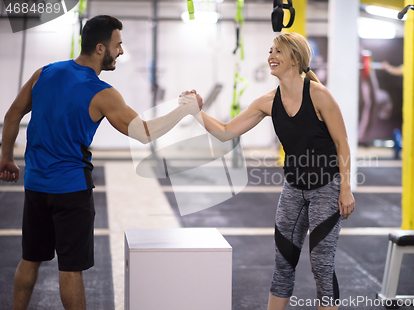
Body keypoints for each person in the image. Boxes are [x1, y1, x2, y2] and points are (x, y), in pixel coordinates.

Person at [0, 15, 200, 310]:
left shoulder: (44, 73)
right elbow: (145, 133)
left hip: (36, 186)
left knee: (30, 259)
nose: (120, 50)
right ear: (99, 48)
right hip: (71, 191)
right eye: (117, 45)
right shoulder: (102, 93)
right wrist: (184, 110)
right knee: (70, 268)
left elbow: (12, 115)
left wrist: (6, 157)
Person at [187, 32, 355, 310]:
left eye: (278, 51)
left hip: (327, 187)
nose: (271, 56)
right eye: (270, 51)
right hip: (293, 189)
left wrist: (346, 188)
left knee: (321, 264)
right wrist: (196, 112)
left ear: (296, 59)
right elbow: (227, 132)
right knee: (283, 262)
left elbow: (342, 143)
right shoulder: (267, 101)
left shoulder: (319, 96)